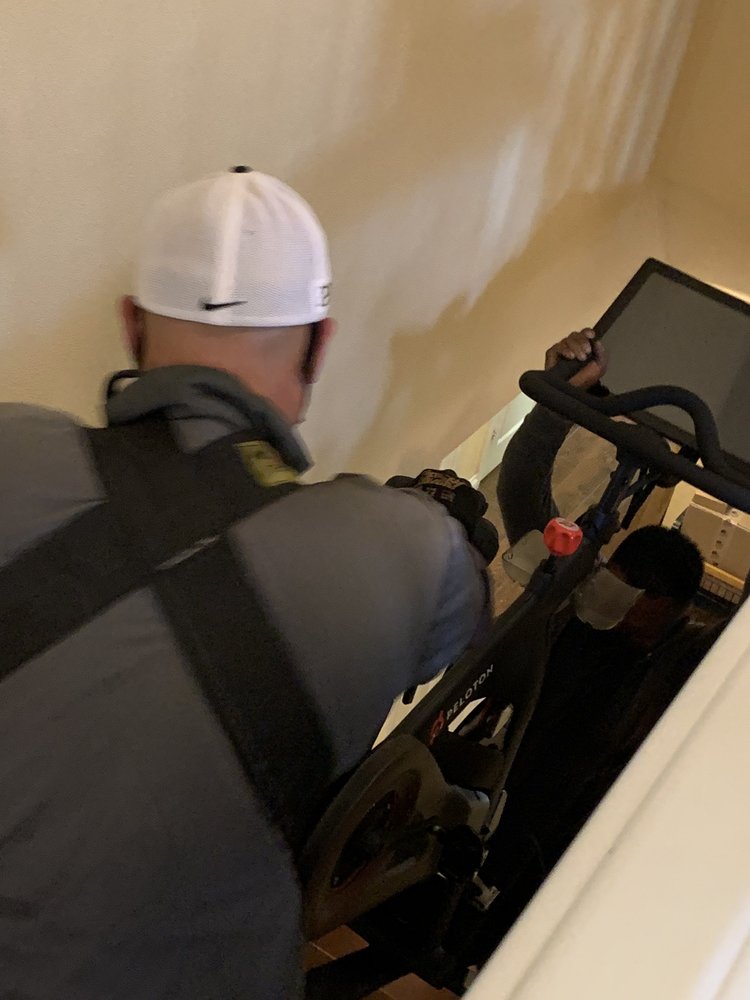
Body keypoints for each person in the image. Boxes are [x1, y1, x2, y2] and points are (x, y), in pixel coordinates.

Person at [0, 167, 497, 1000]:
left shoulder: (12, 444)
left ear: (131, 323)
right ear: (320, 343)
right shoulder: (408, 548)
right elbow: (472, 621)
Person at [470, 329, 705, 961]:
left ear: (668, 607)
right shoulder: (576, 591)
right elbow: (523, 484)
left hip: (565, 844)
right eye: (614, 580)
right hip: (488, 788)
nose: (612, 597)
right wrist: (561, 397)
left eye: (633, 593)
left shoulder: (684, 665)